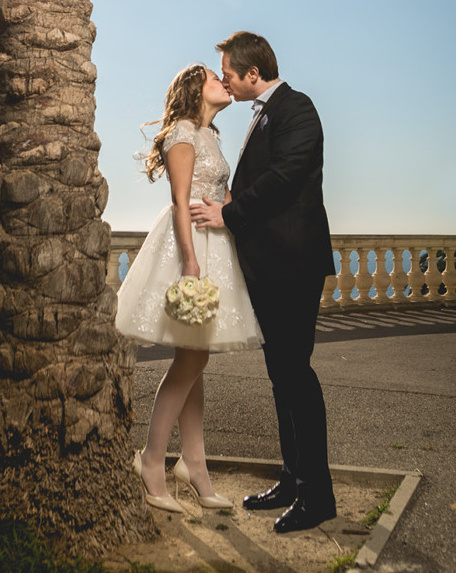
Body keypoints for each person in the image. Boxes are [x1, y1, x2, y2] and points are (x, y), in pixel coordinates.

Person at [189, 31, 337, 534]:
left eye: (230, 72)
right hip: (271, 265)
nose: (226, 79)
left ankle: (318, 496)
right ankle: (293, 480)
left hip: (294, 263)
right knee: (281, 376)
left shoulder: (298, 108)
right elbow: (263, 178)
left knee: (296, 373)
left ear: (254, 74)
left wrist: (230, 210)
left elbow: (286, 176)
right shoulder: (262, 115)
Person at [115, 62, 261, 513]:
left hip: (217, 240)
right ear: (195, 89)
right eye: (215, 79)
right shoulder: (182, 131)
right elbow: (181, 201)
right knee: (193, 357)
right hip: (191, 245)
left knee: (194, 359)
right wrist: (191, 262)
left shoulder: (211, 135)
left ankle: (194, 465)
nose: (224, 82)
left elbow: (224, 194)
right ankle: (152, 460)